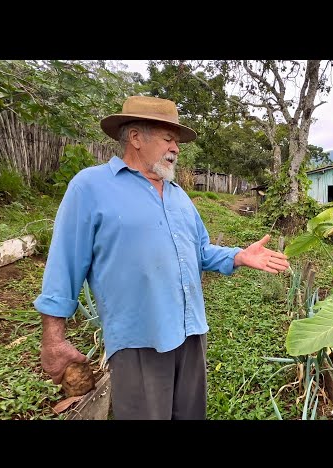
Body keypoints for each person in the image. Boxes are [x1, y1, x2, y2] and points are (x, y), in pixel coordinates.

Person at [34, 96, 289, 420]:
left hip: (192, 334)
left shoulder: (179, 197)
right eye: (169, 138)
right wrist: (53, 340)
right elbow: (63, 266)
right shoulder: (91, 188)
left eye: (177, 141)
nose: (177, 148)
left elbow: (199, 251)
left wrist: (238, 255)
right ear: (136, 137)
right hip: (140, 341)